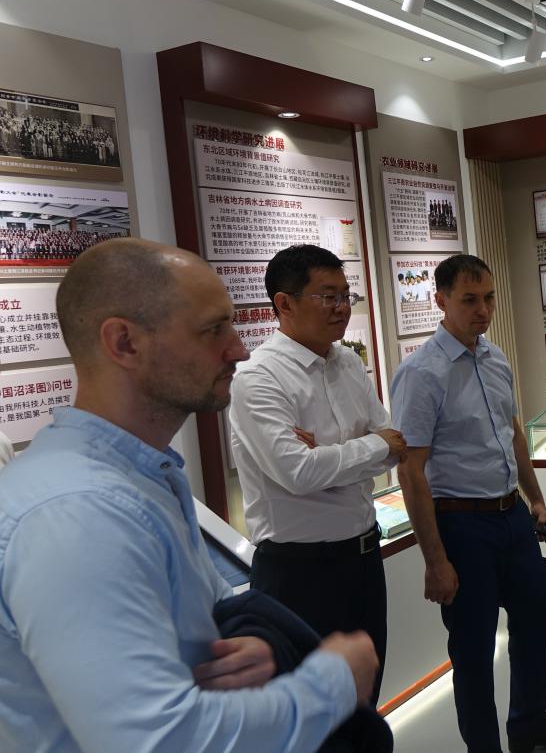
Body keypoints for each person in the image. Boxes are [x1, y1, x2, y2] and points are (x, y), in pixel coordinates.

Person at [0, 238, 379, 752]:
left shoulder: (144, 476)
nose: (238, 349)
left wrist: (251, 644)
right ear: (125, 343)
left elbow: (205, 618)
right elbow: (160, 740)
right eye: (212, 329)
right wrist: (331, 682)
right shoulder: (77, 512)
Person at [390, 254, 546, 753]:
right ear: (441, 301)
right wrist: (435, 560)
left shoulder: (494, 358)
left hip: (512, 517)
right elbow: (411, 471)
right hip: (462, 528)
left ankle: (529, 724)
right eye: (469, 300)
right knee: (474, 650)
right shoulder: (421, 373)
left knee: (535, 624)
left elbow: (512, 433)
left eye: (489, 298)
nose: (483, 310)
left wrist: (536, 498)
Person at [228, 244, 406, 706]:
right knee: (312, 713)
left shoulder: (346, 361)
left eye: (346, 296)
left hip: (363, 559)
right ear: (284, 303)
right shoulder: (259, 378)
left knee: (364, 703)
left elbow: (394, 445)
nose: (341, 308)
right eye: (328, 297)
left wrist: (331, 454)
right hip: (299, 574)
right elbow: (299, 473)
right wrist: (367, 448)